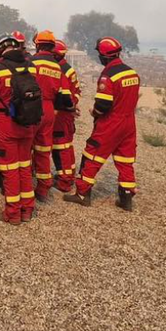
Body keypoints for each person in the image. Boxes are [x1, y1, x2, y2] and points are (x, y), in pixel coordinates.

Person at [65, 37, 141, 211]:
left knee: (91, 155)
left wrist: (95, 112)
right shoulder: (132, 73)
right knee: (125, 160)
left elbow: (103, 105)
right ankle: (126, 198)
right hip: (129, 122)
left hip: (111, 123)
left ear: (103, 56)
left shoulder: (108, 76)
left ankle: (82, 194)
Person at [0, 33, 41, 225]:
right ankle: (27, 210)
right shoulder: (32, 67)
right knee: (25, 167)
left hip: (6, 124)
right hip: (28, 123)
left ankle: (12, 214)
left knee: (9, 169)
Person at [28, 30, 74, 201]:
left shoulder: (30, 62)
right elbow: (65, 97)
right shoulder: (57, 67)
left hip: (31, 108)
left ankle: (24, 186)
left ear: (37, 45)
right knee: (43, 150)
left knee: (26, 148)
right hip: (49, 111)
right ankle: (42, 190)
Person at [51, 39, 81, 192]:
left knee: (60, 147)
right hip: (66, 113)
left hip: (60, 115)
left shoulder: (59, 70)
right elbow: (77, 93)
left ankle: (64, 181)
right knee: (66, 146)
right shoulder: (68, 69)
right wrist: (73, 107)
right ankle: (68, 176)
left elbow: (63, 95)